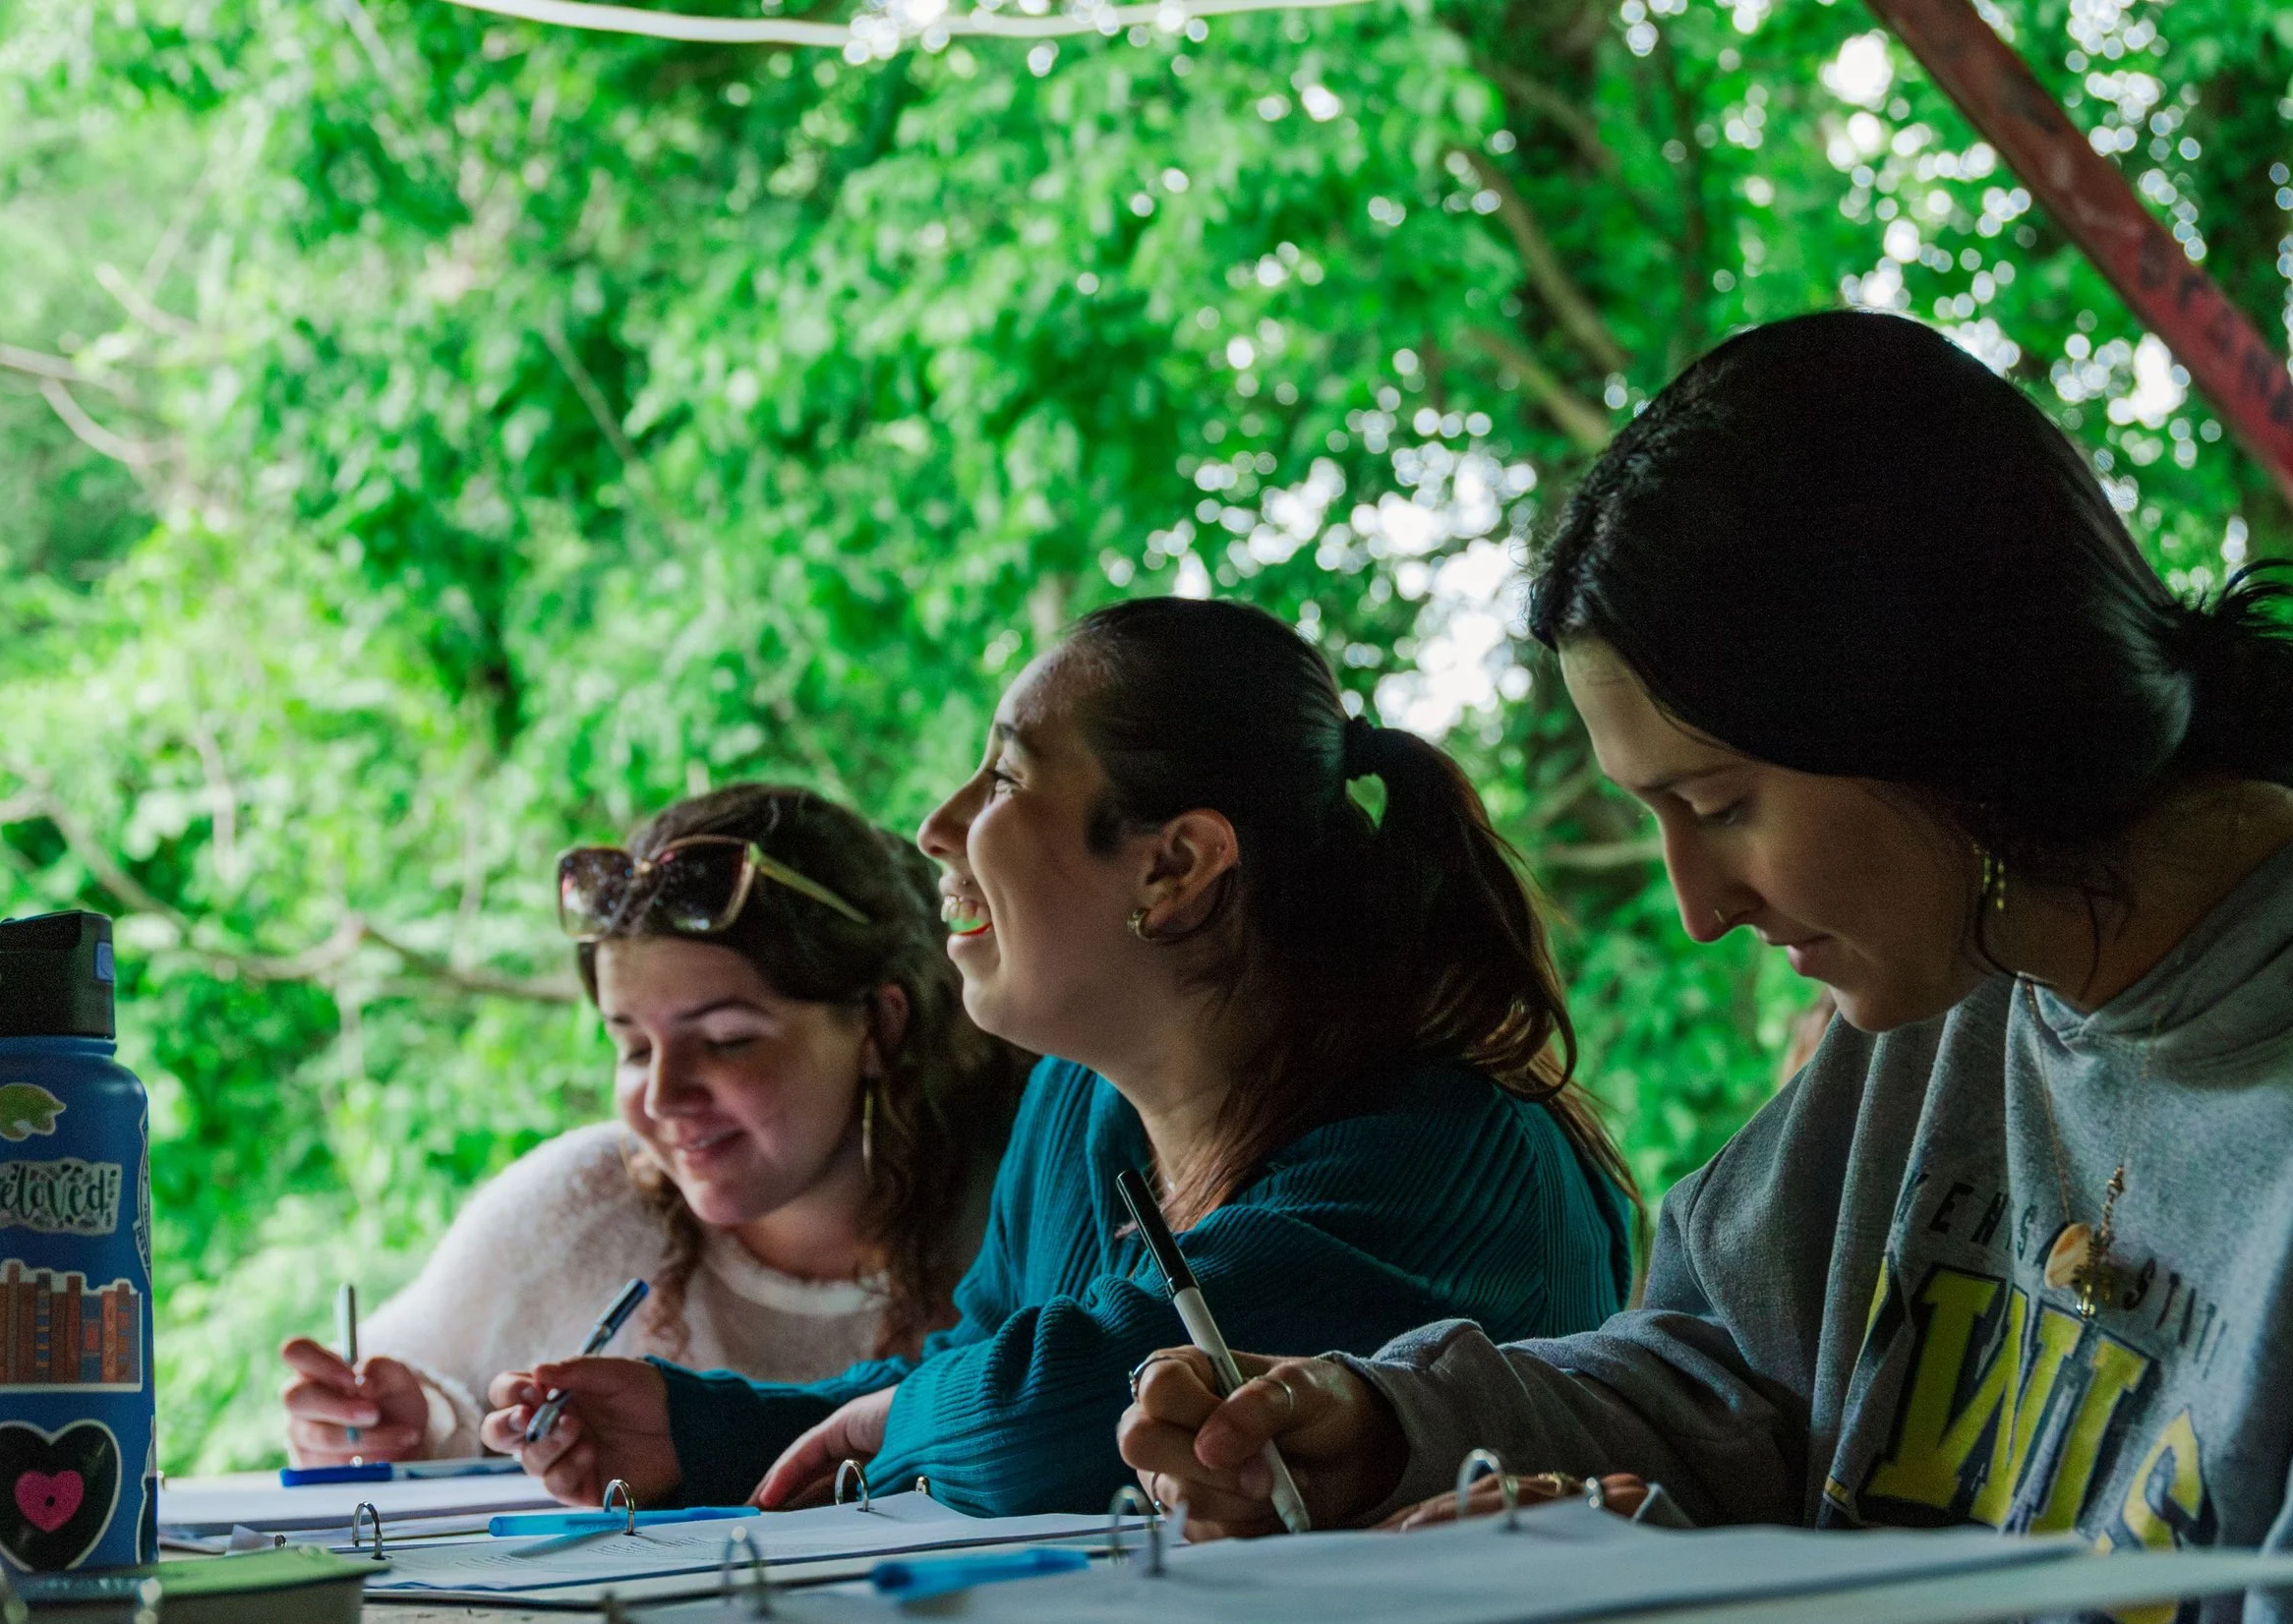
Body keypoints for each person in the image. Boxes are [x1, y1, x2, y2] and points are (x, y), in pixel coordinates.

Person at [1119, 312, 2293, 1616]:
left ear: (1933, 708)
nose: (1696, 906)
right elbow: (1735, 1381)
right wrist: (1389, 1427)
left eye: (1722, 805)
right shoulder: (1960, 959)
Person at [481, 597, 1636, 1513]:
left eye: (1006, 777)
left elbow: (1058, 1412)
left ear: (1173, 865)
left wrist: (912, 1413)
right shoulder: (1081, 1107)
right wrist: (699, 1431)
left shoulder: (1452, 1165)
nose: (938, 825)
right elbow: (974, 1369)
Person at [280, 784, 1023, 1464]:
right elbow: (406, 1392)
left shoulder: (1026, 1206)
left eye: (727, 1039)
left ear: (878, 1026)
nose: (664, 1096)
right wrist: (407, 1420)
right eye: (633, 1046)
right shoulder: (582, 1206)